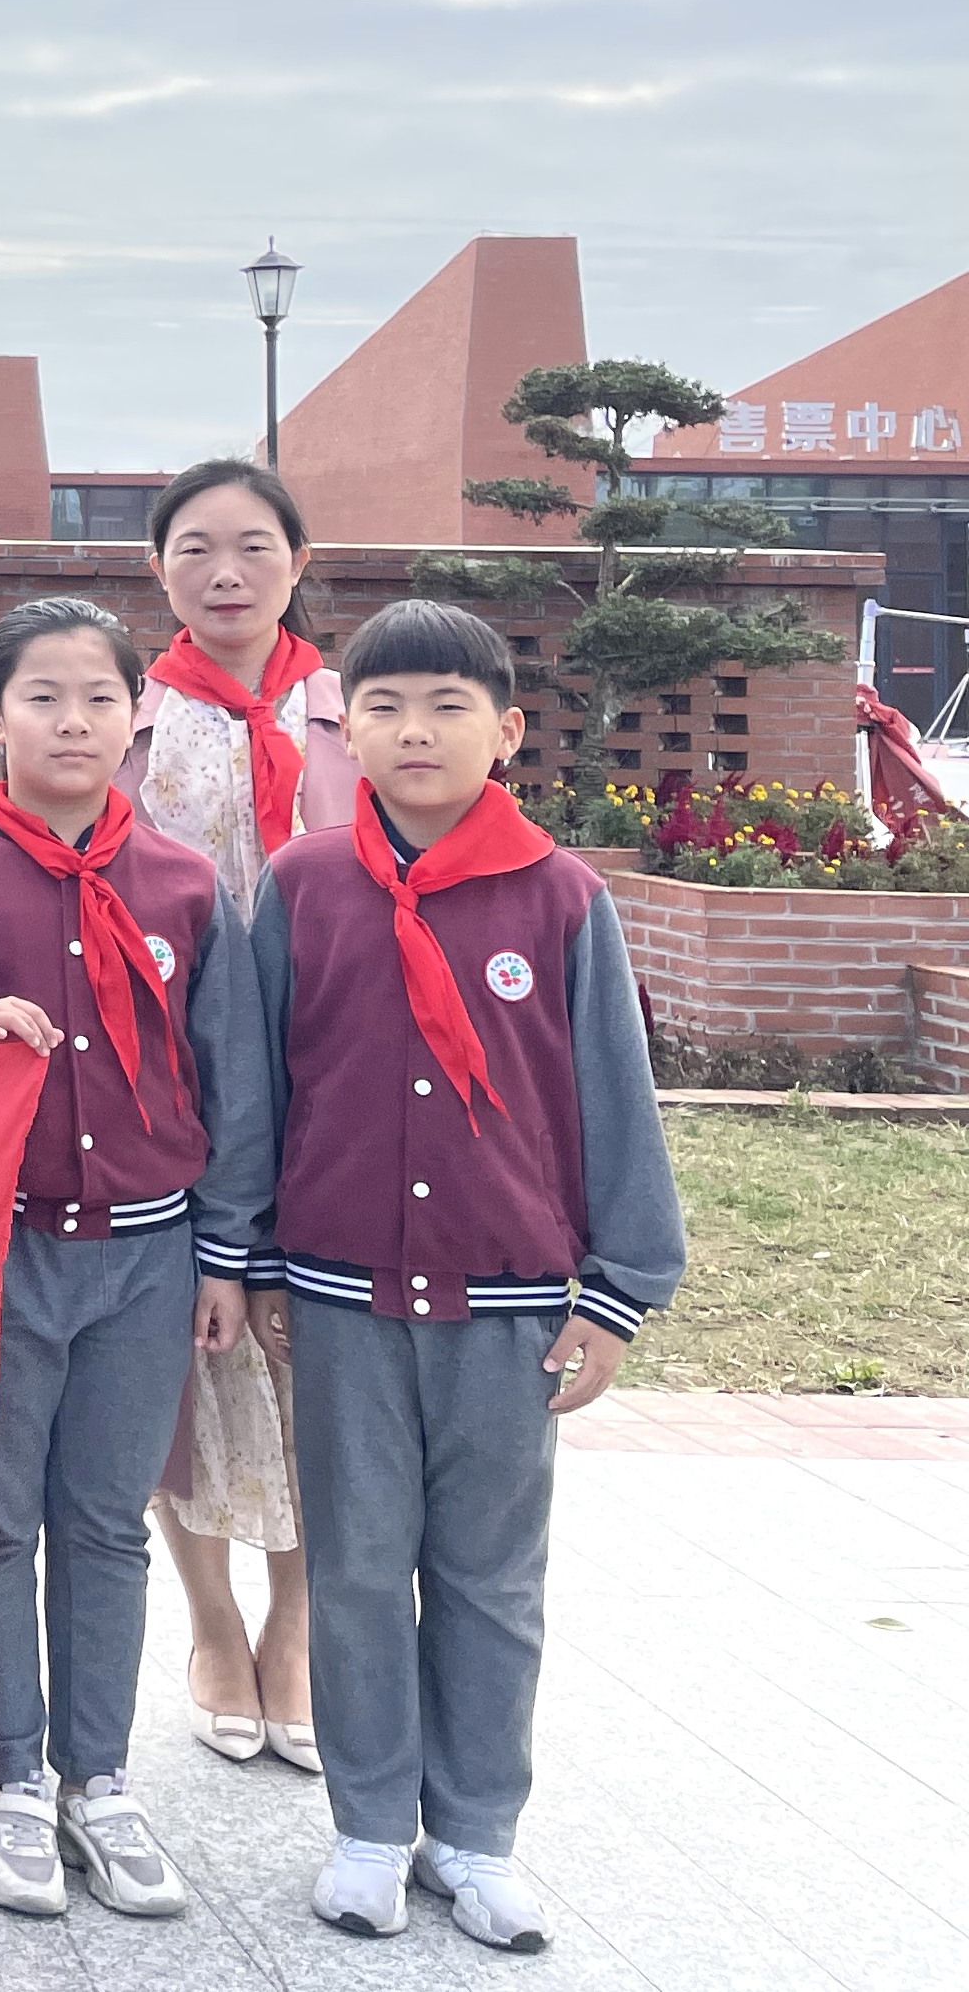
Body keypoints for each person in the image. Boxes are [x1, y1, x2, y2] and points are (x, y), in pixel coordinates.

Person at [251, 601, 681, 1953]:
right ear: (346, 729)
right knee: (362, 1564)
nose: (414, 731)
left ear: (504, 729)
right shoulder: (303, 884)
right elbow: (263, 1082)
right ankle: (372, 1826)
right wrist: (251, 1258)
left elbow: (613, 1096)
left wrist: (615, 1291)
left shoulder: (560, 895)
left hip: (506, 1307)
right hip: (337, 1295)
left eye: (446, 706)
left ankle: (479, 1834)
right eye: (383, 707)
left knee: (493, 1577)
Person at [0, 595, 271, 1922]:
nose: (74, 722)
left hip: (150, 1261)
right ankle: (7, 1785)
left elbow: (230, 1079)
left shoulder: (184, 886)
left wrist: (226, 1255)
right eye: (42, 697)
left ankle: (100, 1778)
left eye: (100, 698)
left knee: (105, 1525)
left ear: (133, 714)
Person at [121, 460, 356, 1774]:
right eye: (195, 548)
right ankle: (213, 1622)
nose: (225, 570)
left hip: (335, 1087)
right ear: (158, 571)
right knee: (193, 1362)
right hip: (182, 1088)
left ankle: (300, 1631)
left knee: (323, 1361)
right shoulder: (129, 717)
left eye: (252, 546)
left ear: (297, 564)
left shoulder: (353, 711)